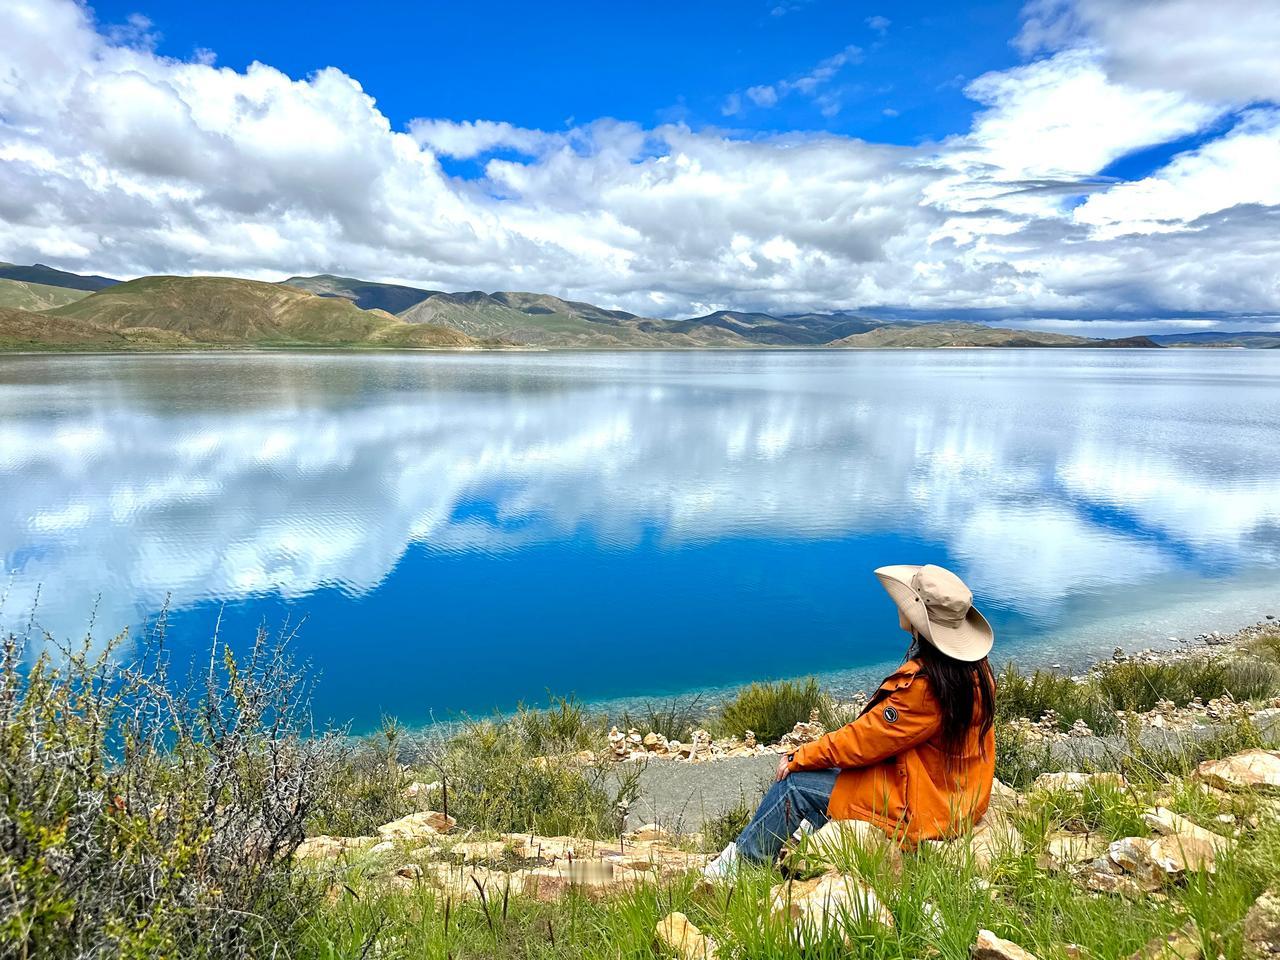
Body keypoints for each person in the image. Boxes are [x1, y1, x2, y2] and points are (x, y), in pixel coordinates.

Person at [704, 563, 997, 877]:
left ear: (916, 616)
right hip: (953, 796)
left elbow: (865, 740)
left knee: (795, 783)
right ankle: (813, 836)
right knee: (836, 767)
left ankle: (742, 867)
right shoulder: (972, 672)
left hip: (924, 807)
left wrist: (799, 756)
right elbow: (883, 739)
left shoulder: (927, 688)